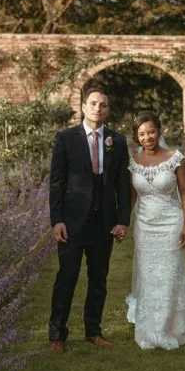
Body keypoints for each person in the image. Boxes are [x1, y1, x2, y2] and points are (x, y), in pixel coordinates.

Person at [126, 110, 185, 350]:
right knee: (149, 275)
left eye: (151, 131)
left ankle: (169, 327)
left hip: (171, 223)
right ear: (137, 137)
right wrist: (122, 222)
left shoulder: (175, 157)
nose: (147, 137)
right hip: (144, 227)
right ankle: (151, 325)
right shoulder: (133, 162)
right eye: (142, 134)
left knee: (169, 274)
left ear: (159, 131)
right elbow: (132, 195)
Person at [48, 86, 131, 353]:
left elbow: (122, 183)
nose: (98, 108)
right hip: (72, 222)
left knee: (99, 279)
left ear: (108, 110)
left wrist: (122, 220)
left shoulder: (117, 141)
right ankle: (57, 334)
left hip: (103, 222)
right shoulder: (65, 138)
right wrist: (56, 220)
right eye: (93, 103)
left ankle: (93, 331)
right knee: (67, 277)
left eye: (103, 104)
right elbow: (57, 183)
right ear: (83, 107)